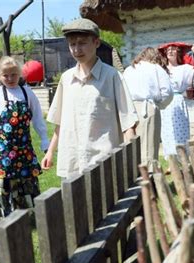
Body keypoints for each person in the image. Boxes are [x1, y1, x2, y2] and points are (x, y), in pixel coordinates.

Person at [41, 18, 138, 179]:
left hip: (103, 162)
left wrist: (131, 161)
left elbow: (128, 124)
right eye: (72, 44)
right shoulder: (66, 79)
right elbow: (60, 122)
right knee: (75, 203)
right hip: (72, 161)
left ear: (96, 42)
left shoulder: (112, 77)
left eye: (82, 43)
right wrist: (50, 152)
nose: (77, 49)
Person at [0, 56, 50, 237]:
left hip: (23, 148)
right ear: (0, 75)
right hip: (2, 149)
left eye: (14, 74)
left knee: (26, 182)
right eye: (5, 75)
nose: (10, 78)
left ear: (20, 74)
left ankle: (28, 215)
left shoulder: (27, 92)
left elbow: (37, 118)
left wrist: (45, 140)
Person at [123, 47, 173, 170]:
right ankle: (149, 182)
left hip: (128, 108)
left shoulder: (129, 69)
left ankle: (132, 177)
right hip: (147, 108)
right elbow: (167, 92)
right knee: (148, 147)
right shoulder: (156, 68)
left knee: (130, 146)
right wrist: (159, 105)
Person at [157, 42, 194, 157]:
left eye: (173, 49)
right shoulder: (161, 69)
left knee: (179, 131)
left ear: (178, 52)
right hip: (165, 103)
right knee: (167, 131)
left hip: (177, 101)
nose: (170, 51)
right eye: (168, 50)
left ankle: (182, 157)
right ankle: (170, 159)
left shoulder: (184, 69)